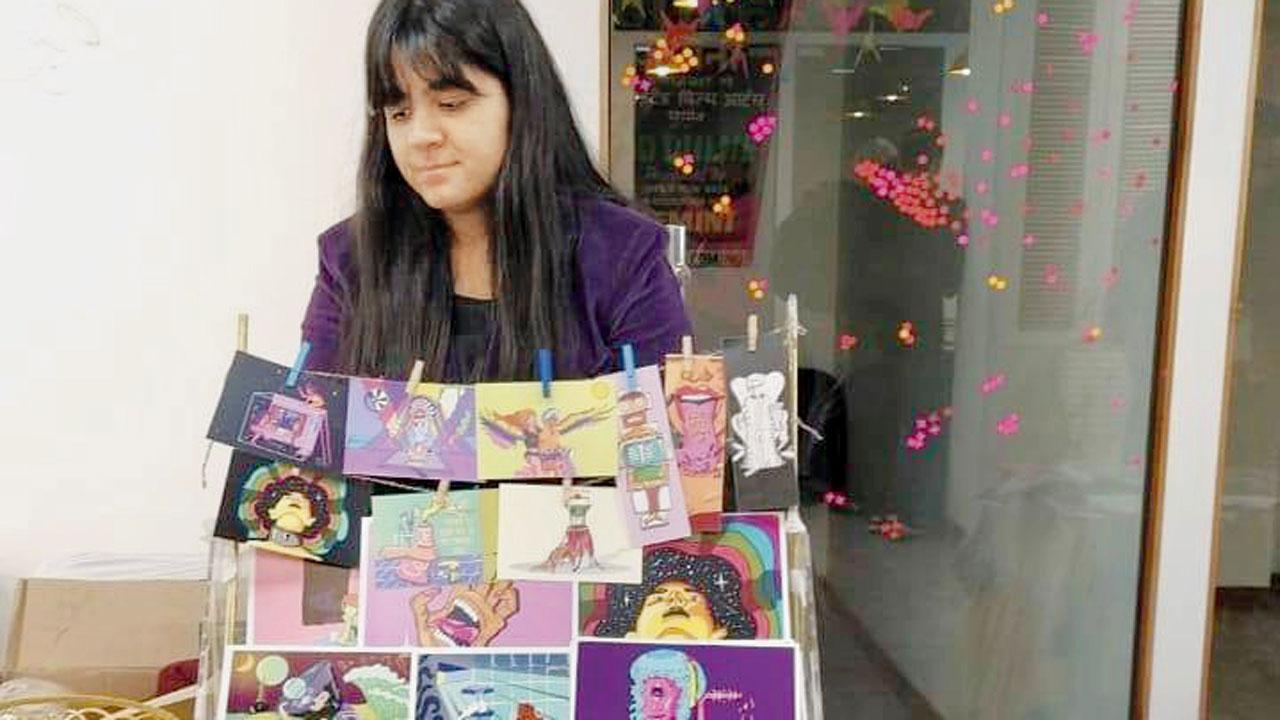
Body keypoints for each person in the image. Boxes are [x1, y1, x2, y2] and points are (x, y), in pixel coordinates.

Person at [301, 0, 691, 384]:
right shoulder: (350, 260)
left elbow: (675, 437)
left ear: (521, 103)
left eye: (451, 104)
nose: (421, 136)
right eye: (399, 113)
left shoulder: (621, 257)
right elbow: (303, 433)